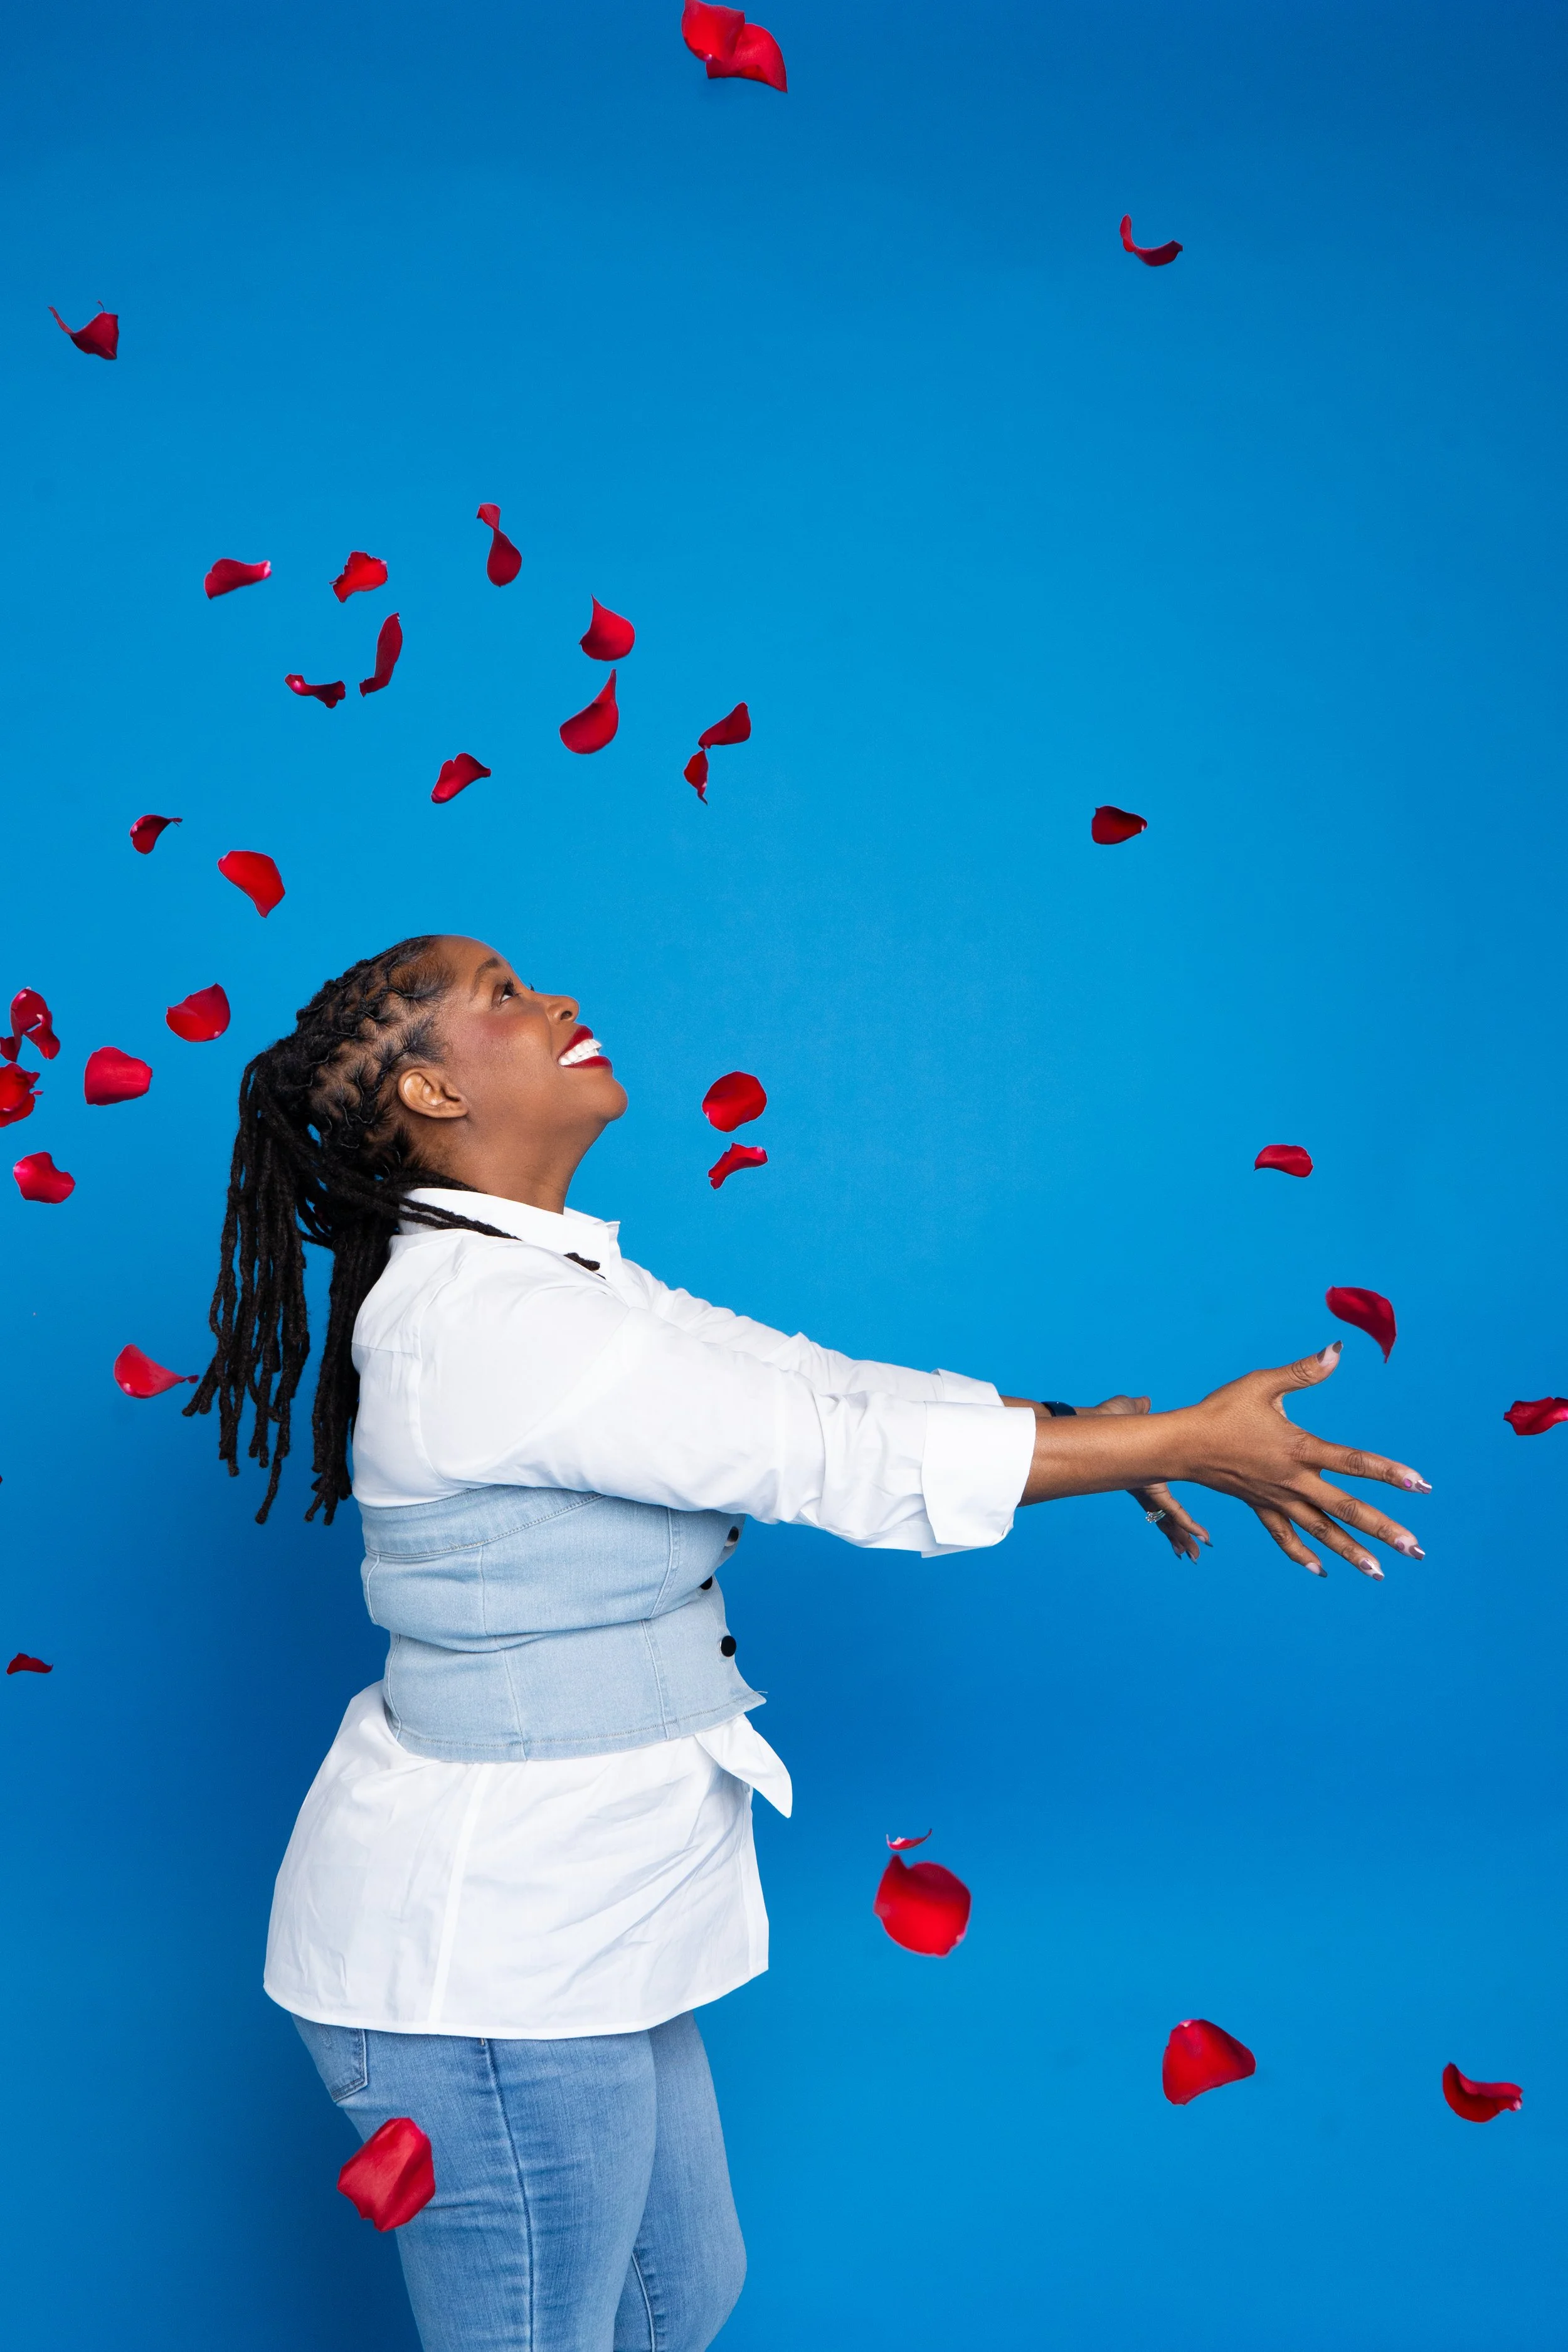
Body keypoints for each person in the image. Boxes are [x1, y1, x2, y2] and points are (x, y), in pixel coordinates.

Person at [188, 933, 1428, 2352]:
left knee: (678, 2294)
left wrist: (1093, 1436)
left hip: (578, 1920)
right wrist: (1182, 1445)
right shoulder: (491, 1324)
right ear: (429, 1091)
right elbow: (820, 1452)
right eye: (506, 1000)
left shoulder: (550, 1288)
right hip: (482, 1958)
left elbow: (800, 1381)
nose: (562, 1002)